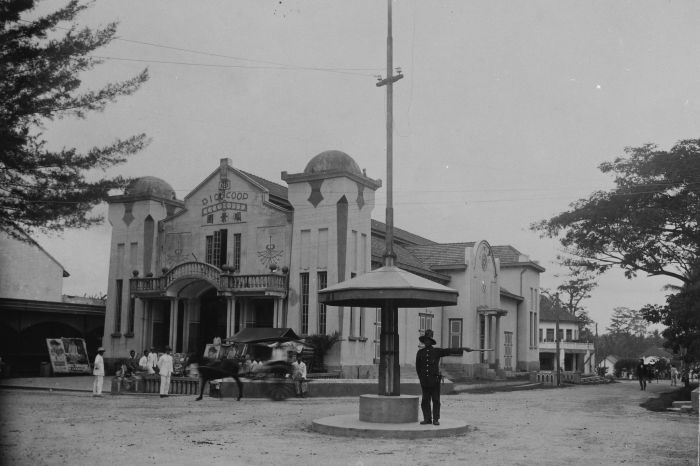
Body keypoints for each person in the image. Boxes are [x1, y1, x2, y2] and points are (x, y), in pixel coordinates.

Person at [415, 329, 476, 426]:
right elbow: (418, 368)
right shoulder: (420, 353)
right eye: (425, 340)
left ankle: (435, 419)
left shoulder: (437, 351)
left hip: (435, 380)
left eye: (428, 340)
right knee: (425, 400)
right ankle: (427, 419)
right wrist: (421, 379)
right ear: (424, 341)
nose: (427, 342)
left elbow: (449, 351)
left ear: (431, 342)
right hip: (425, 381)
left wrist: (463, 348)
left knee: (436, 400)